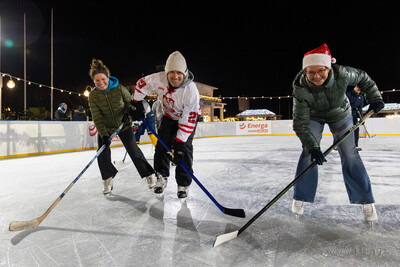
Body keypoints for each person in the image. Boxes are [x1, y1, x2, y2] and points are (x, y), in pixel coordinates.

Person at [291, 44, 385, 223]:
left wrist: (375, 98)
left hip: (340, 114)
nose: (316, 76)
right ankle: (300, 197)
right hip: (313, 116)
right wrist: (314, 147)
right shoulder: (300, 88)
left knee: (350, 154)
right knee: (307, 153)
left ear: (328, 68)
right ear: (304, 72)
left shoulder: (342, 73)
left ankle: (365, 201)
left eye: (321, 71)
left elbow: (363, 78)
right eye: (310, 72)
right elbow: (300, 124)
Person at [131, 51, 201, 201]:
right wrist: (135, 103)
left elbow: (188, 119)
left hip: (185, 118)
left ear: (185, 72)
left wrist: (180, 142)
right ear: (166, 72)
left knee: (184, 149)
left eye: (179, 73)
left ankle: (183, 184)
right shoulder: (158, 79)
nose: (175, 76)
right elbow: (141, 84)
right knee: (161, 146)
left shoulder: (191, 91)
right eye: (171, 72)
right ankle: (161, 177)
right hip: (169, 117)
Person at [88, 59, 156, 195]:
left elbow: (129, 103)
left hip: (123, 125)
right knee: (102, 153)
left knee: (133, 150)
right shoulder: (93, 96)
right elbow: (97, 117)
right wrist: (104, 135)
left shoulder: (119, 88)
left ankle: (149, 174)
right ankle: (108, 179)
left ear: (108, 77)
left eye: (103, 79)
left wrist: (128, 114)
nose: (101, 83)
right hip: (106, 128)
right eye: (97, 81)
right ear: (93, 82)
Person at [346, 86, 364, 150]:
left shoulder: (361, 97)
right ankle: (338, 145)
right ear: (355, 87)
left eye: (360, 89)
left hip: (354, 115)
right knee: (344, 130)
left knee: (356, 130)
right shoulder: (348, 94)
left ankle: (355, 145)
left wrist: (362, 118)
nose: (358, 90)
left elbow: (360, 108)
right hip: (346, 115)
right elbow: (346, 104)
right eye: (357, 88)